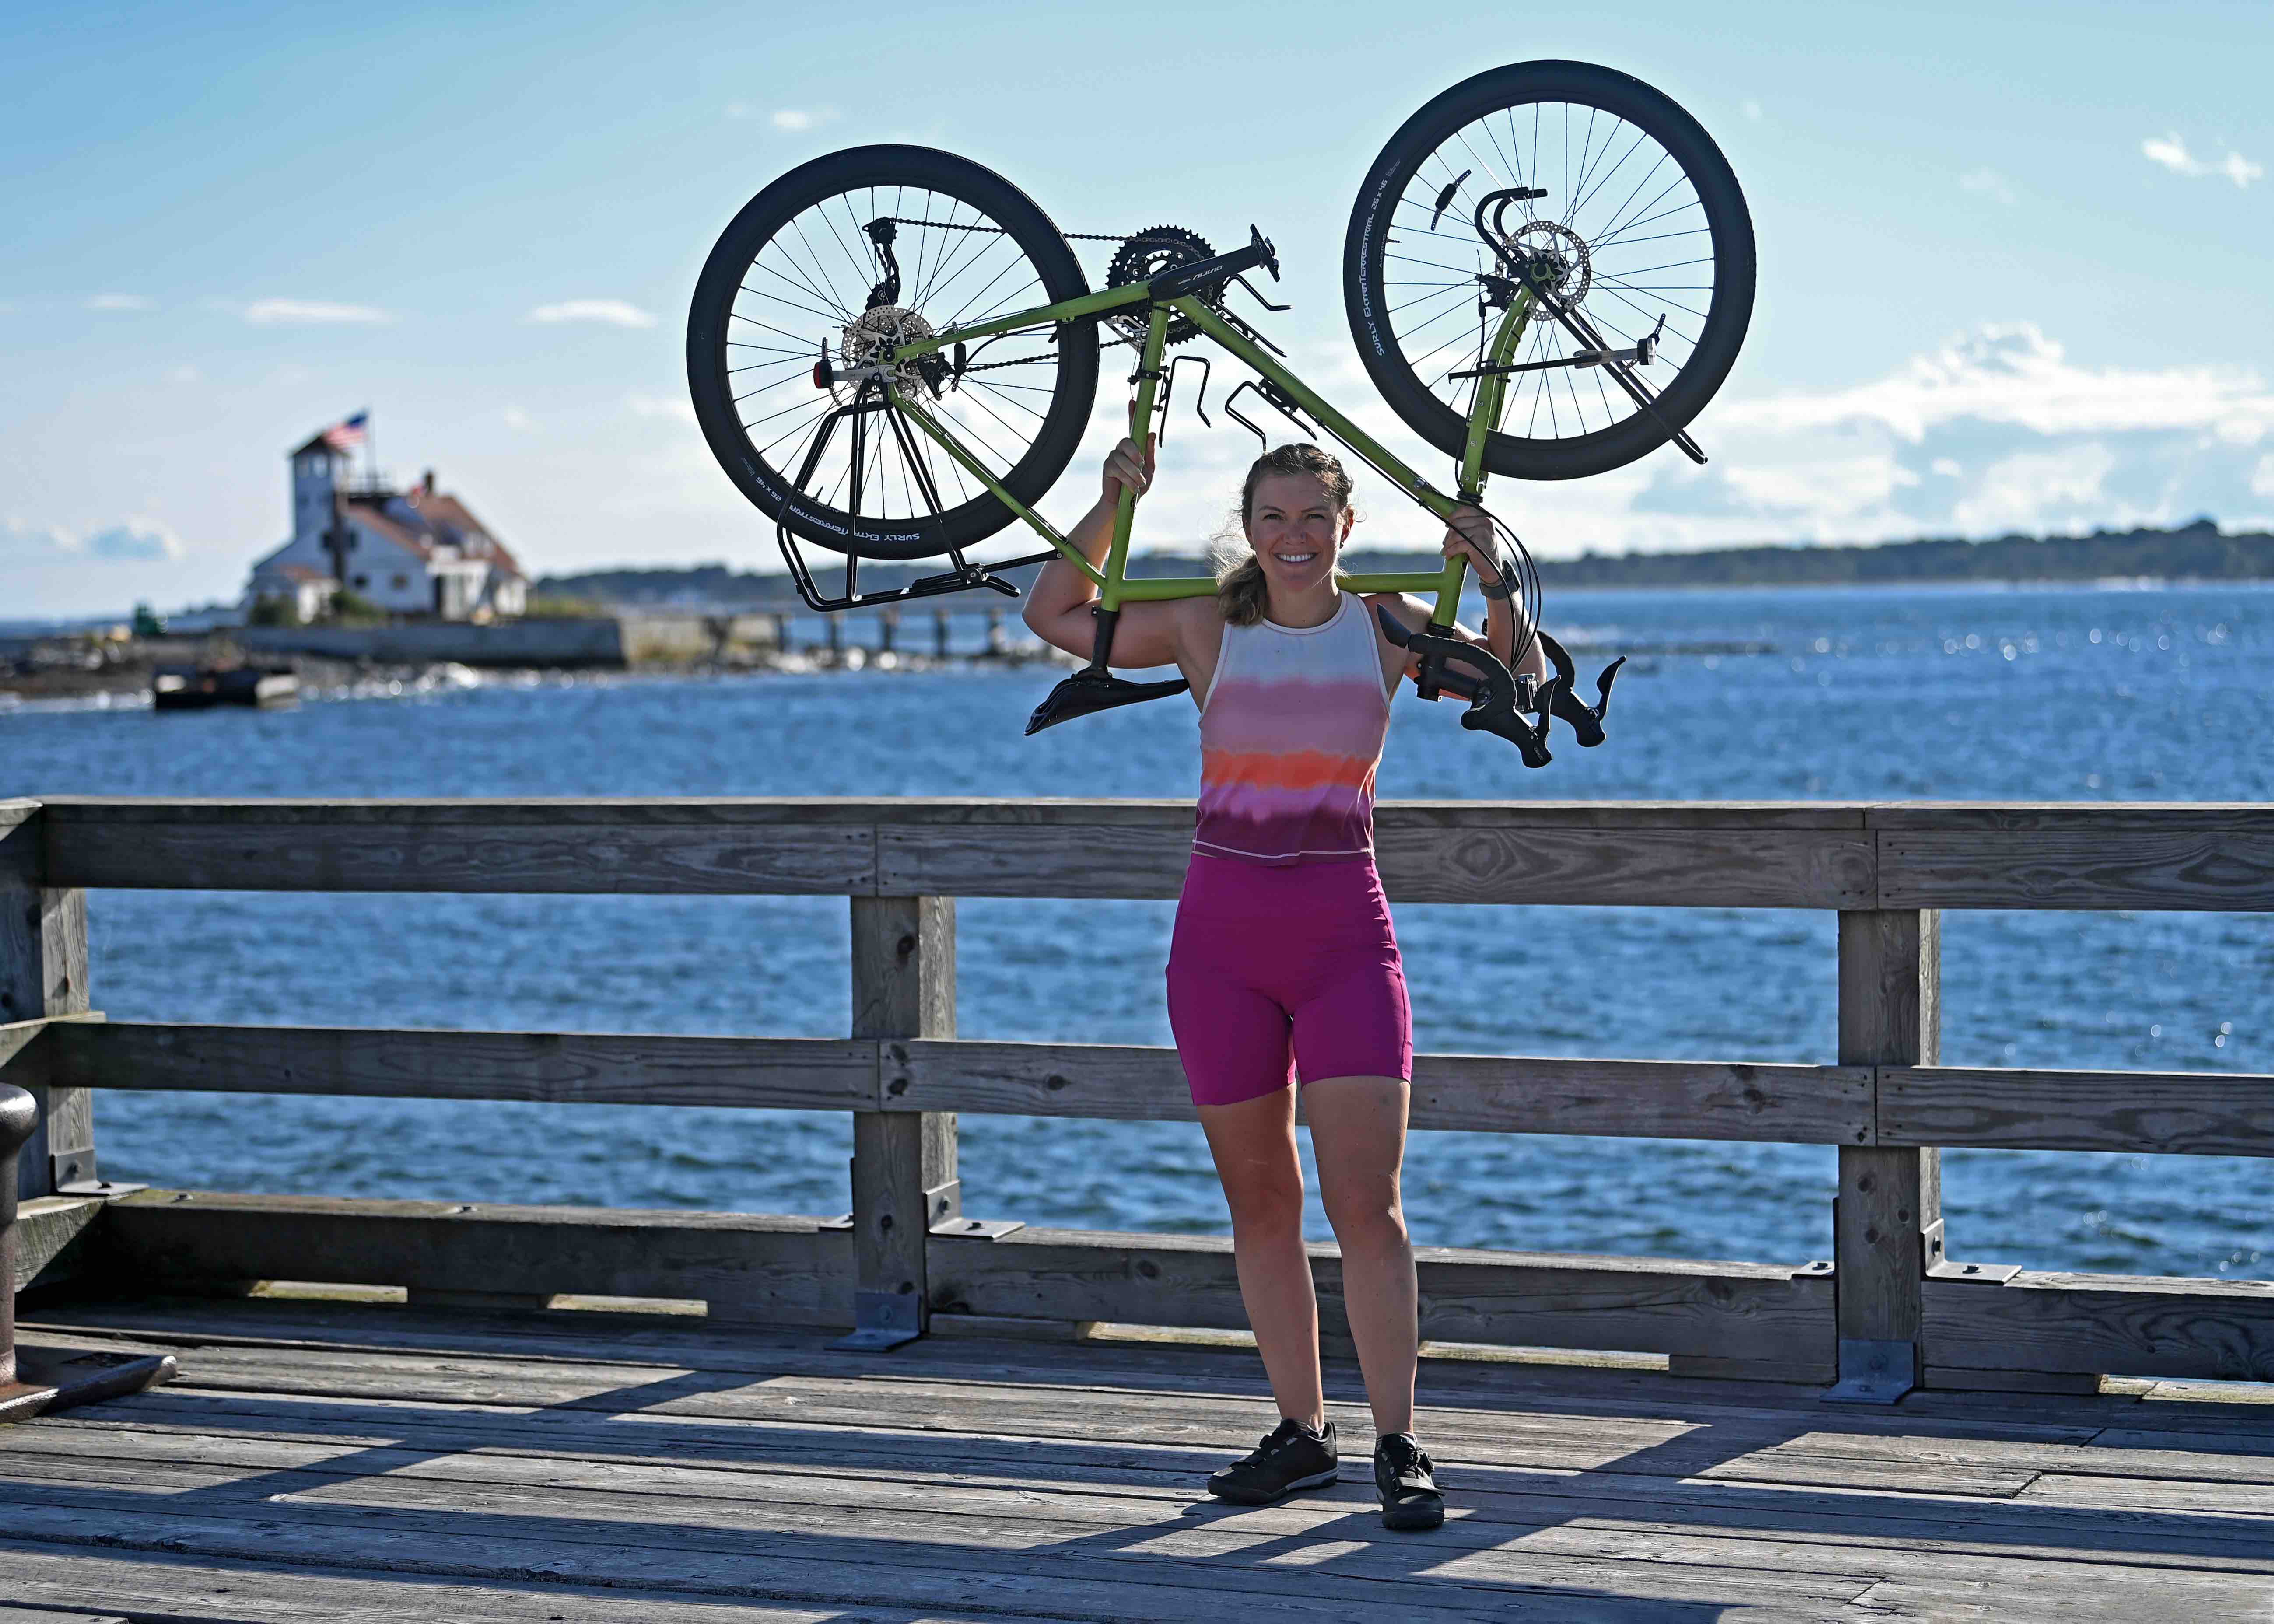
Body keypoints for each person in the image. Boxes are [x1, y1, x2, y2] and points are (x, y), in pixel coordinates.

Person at [1022, 420, 1548, 1533]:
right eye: (1273, 517)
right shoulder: (1204, 624)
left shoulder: (1389, 625)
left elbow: (1514, 678)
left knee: (1368, 1206)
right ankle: (1303, 1432)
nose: (1294, 535)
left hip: (1344, 940)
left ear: (1347, 525)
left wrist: (1492, 574)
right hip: (1220, 948)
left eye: (1314, 516)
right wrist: (1114, 498)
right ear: (1249, 528)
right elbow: (1054, 611)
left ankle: (1399, 1442)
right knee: (1261, 1202)